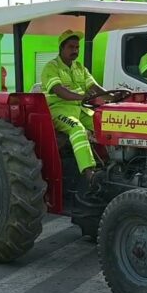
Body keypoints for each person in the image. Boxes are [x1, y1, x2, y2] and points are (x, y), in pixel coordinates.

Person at [40, 30, 109, 184]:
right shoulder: (51, 67)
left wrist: (113, 97)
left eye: (77, 47)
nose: (75, 51)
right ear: (61, 49)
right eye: (71, 47)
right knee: (77, 129)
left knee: (105, 124)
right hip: (59, 109)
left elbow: (95, 87)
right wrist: (82, 96)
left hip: (81, 108)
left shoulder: (79, 67)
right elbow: (59, 90)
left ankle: (111, 166)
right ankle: (89, 173)